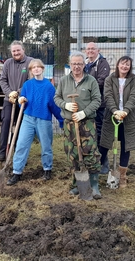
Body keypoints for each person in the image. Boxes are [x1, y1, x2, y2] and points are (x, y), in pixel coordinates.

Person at [6, 59, 64, 185]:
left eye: (38, 67)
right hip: (28, 119)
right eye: (33, 68)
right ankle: (17, 172)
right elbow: (23, 100)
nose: (36, 69)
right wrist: (21, 99)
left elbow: (54, 106)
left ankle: (47, 169)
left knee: (46, 146)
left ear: (43, 69)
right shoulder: (27, 85)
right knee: (21, 144)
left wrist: (61, 119)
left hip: (44, 120)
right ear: (31, 71)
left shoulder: (49, 87)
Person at [54, 51, 102, 199]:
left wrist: (84, 113)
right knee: (73, 153)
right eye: (74, 63)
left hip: (87, 123)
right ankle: (77, 184)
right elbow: (56, 97)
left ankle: (94, 185)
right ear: (70, 64)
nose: (76, 66)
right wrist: (66, 106)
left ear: (84, 64)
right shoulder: (63, 80)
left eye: (79, 64)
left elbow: (97, 100)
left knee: (91, 153)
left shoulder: (91, 81)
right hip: (69, 124)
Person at [100, 55, 135, 188]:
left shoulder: (134, 81)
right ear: (118, 65)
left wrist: (125, 111)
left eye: (127, 65)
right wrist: (115, 111)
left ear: (130, 67)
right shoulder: (109, 79)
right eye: (123, 64)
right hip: (111, 117)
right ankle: (98, 171)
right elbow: (107, 96)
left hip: (128, 118)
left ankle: (122, 176)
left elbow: (134, 98)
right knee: (104, 144)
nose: (125, 66)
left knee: (126, 146)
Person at [0, 41, 33, 161]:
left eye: (18, 50)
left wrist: (18, 92)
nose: (16, 53)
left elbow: (30, 81)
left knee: (21, 126)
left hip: (24, 100)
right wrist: (10, 93)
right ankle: (3, 152)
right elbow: (2, 80)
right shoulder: (7, 63)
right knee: (6, 122)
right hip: (9, 100)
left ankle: (19, 154)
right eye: (13, 51)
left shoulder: (30, 62)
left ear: (23, 50)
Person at [84, 42, 111, 174]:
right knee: (89, 134)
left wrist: (86, 90)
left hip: (100, 106)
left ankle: (103, 162)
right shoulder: (85, 64)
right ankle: (91, 160)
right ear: (85, 51)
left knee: (100, 134)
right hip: (86, 106)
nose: (90, 51)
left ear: (98, 50)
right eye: (88, 49)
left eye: (93, 49)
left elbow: (101, 81)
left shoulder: (102, 64)